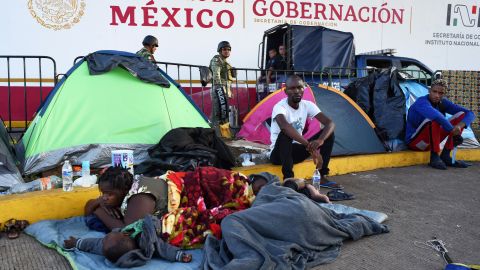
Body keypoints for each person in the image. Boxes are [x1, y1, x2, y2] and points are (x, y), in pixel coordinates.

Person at [269, 75, 339, 187]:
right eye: (292, 88)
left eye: (299, 87)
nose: (297, 91)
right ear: (285, 91)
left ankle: (321, 176)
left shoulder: (307, 105)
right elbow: (285, 127)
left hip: (296, 153)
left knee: (329, 134)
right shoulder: (279, 107)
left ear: (304, 88)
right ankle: (288, 179)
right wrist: (310, 147)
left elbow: (330, 123)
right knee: (285, 134)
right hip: (278, 155)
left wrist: (320, 141)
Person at [64, 215, 192, 267]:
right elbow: (164, 249)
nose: (103, 239)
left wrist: (76, 243)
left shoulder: (109, 245)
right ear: (124, 234)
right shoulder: (147, 241)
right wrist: (179, 255)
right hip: (160, 226)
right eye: (109, 235)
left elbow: (92, 244)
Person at [406, 79, 475, 170]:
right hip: (416, 143)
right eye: (434, 92)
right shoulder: (421, 102)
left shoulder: (443, 102)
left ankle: (446, 156)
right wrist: (452, 131)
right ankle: (434, 157)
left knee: (461, 114)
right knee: (434, 118)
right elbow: (437, 116)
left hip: (431, 142)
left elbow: (470, 113)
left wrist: (459, 126)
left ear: (444, 94)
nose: (437, 95)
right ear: (429, 91)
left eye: (440, 93)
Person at [84, 166, 168, 231]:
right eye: (103, 193)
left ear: (124, 190)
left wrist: (99, 211)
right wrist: (99, 201)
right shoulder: (120, 187)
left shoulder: (140, 197)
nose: (105, 197)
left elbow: (128, 231)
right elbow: (88, 208)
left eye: (110, 194)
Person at [248, 173, 330, 203]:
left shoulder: (284, 185)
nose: (261, 191)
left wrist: (314, 193)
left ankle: (318, 195)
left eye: (261, 187)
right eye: (256, 191)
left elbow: (302, 182)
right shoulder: (262, 201)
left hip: (308, 192)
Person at [209, 41, 236, 129]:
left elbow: (228, 80)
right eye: (224, 49)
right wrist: (220, 90)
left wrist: (229, 92)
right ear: (220, 50)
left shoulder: (226, 63)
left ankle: (222, 132)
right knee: (217, 113)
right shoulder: (217, 60)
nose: (227, 51)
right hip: (219, 89)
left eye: (228, 49)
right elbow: (216, 75)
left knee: (223, 114)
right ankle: (213, 132)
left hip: (224, 91)